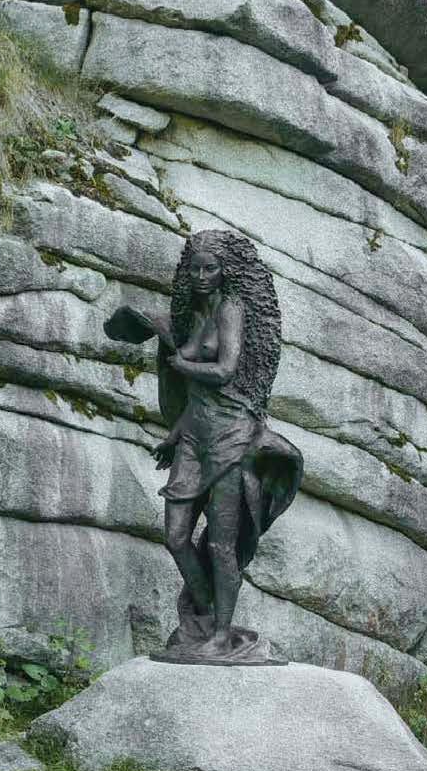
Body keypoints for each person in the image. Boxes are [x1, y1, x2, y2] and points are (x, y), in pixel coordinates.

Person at [106, 230, 304, 664]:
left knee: (220, 545)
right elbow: (197, 397)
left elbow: (226, 371)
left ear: (225, 271)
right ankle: (208, 614)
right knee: (176, 536)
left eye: (210, 268)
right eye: (194, 268)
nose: (201, 275)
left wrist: (180, 363)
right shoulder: (195, 313)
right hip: (194, 437)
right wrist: (173, 436)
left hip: (232, 437)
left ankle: (220, 635)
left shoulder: (231, 309)